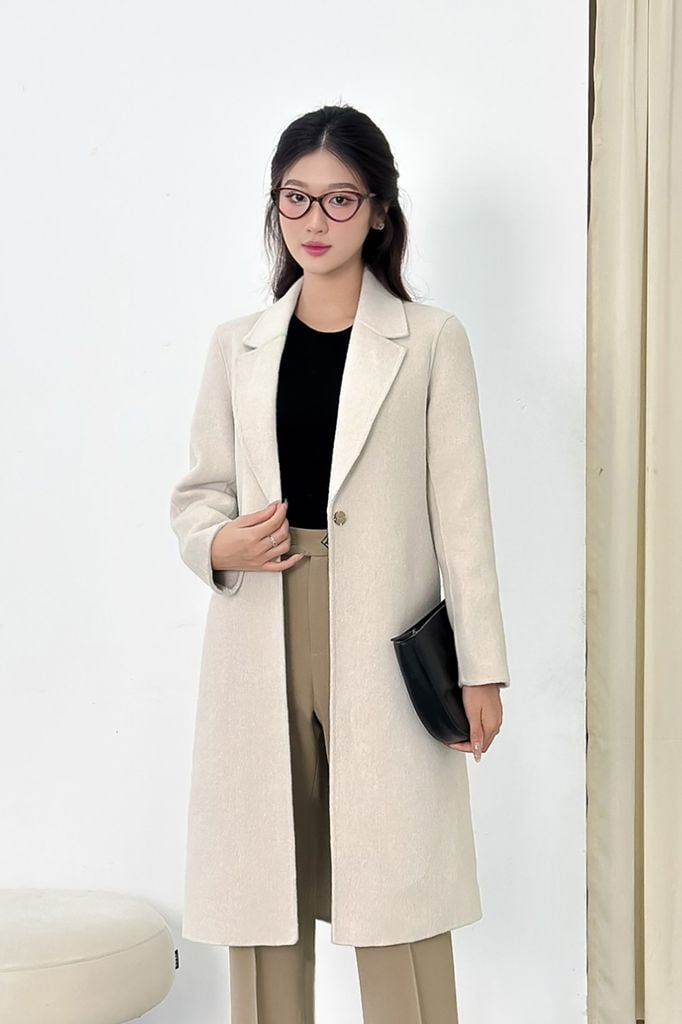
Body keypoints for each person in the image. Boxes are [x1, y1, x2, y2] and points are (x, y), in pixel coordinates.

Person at [170, 103, 511, 1024]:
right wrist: (217, 544)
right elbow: (199, 493)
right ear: (274, 207)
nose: (314, 220)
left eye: (339, 199)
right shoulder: (237, 346)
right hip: (261, 623)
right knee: (264, 887)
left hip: (383, 633)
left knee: (395, 884)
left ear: (379, 211)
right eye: (296, 198)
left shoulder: (430, 340)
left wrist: (482, 666)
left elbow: (464, 519)